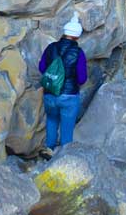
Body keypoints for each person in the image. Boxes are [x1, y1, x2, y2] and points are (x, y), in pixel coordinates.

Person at [38, 12, 87, 158]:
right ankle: (64, 156)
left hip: (50, 93)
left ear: (65, 32)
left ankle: (49, 149)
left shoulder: (51, 48)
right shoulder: (78, 52)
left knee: (52, 120)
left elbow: (42, 68)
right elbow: (82, 77)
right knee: (67, 126)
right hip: (69, 95)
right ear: (77, 35)